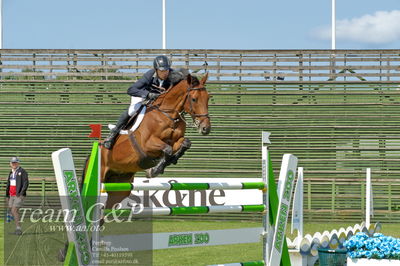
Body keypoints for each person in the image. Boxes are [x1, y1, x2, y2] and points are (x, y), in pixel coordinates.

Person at [103, 55, 173, 149]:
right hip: (143, 96)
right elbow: (131, 90)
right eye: (162, 71)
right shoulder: (149, 75)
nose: (165, 73)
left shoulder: (173, 75)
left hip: (159, 100)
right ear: (156, 70)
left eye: (166, 70)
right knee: (132, 110)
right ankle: (112, 135)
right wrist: (148, 94)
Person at [6, 156, 29, 235]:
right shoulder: (11, 172)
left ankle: (18, 229)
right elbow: (8, 184)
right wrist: (7, 195)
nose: (14, 164)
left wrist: (22, 193)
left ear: (18, 163)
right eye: (12, 163)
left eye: (15, 162)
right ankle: (17, 227)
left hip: (18, 195)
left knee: (14, 210)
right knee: (13, 211)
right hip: (11, 195)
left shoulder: (22, 171)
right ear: (10, 164)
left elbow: (26, 183)